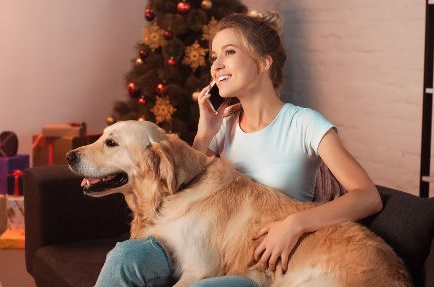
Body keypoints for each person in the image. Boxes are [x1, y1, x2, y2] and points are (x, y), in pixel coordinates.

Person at [95, 12, 382, 287]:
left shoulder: (304, 123)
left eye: (229, 52)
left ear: (264, 62)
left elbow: (368, 197)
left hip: (263, 264)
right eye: (214, 56)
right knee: (124, 257)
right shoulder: (224, 125)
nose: (216, 65)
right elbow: (181, 194)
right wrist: (205, 134)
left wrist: (294, 224)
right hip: (205, 247)